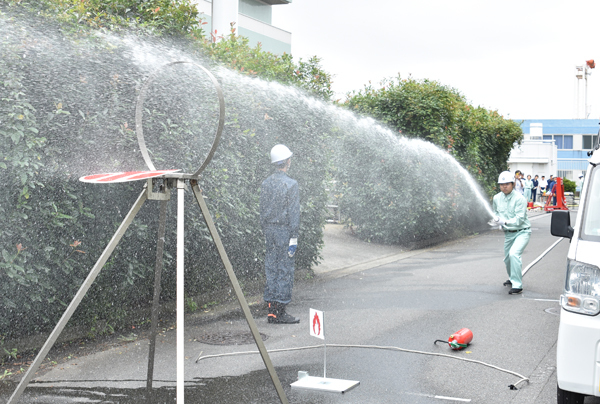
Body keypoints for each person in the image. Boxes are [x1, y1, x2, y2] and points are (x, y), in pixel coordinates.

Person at [260, 144, 301, 324]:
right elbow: (294, 213)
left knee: (271, 267)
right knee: (284, 269)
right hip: (284, 231)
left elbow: (262, 211)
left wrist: (266, 229)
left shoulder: (266, 183)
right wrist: (294, 236)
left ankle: (271, 310)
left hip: (269, 230)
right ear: (287, 162)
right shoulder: (291, 185)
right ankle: (281, 311)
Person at [490, 171, 531, 295]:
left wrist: (505, 222)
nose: (504, 186)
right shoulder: (497, 198)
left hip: (522, 232)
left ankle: (517, 285)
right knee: (507, 259)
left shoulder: (520, 198)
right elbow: (495, 213)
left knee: (514, 254)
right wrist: (496, 221)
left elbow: (519, 219)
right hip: (508, 234)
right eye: (502, 184)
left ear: (513, 184)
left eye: (507, 184)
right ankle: (512, 278)